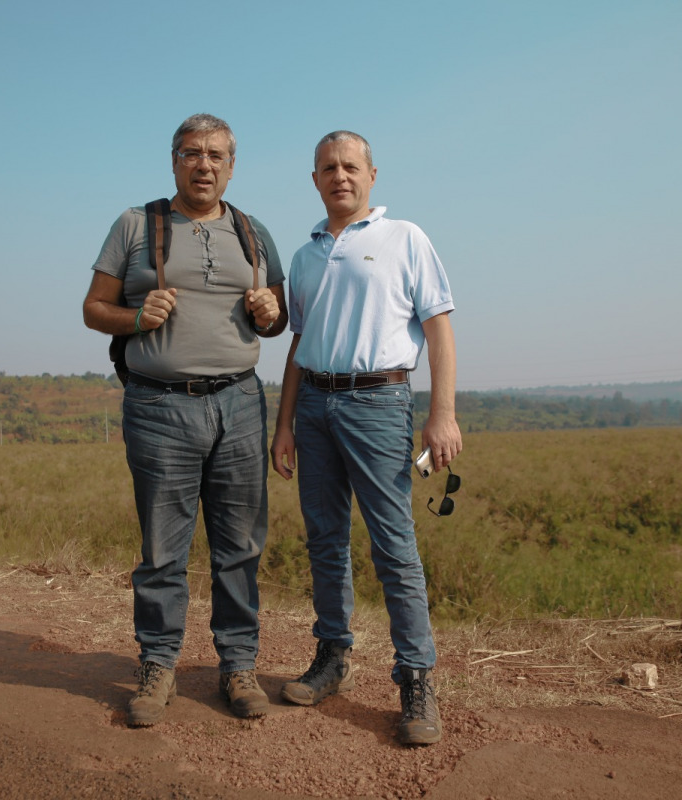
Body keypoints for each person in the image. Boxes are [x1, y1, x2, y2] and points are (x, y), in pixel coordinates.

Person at [83, 113, 288, 727]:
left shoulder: (253, 232)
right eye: (193, 153)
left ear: (232, 165)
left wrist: (269, 312)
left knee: (240, 545)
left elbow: (276, 320)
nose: (205, 165)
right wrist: (137, 316)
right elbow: (94, 309)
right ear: (174, 160)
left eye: (217, 155)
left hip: (241, 404)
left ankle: (239, 667)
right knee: (163, 547)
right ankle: (157, 664)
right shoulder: (136, 225)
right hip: (159, 405)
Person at [271, 131, 461, 746]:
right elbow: (298, 346)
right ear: (315, 179)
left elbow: (439, 329)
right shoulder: (304, 257)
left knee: (392, 545)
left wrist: (443, 415)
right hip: (316, 407)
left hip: (380, 400)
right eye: (328, 168)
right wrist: (284, 425)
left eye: (350, 166)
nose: (340, 176)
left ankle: (416, 679)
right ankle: (331, 659)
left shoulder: (405, 237)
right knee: (325, 539)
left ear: (372, 175)